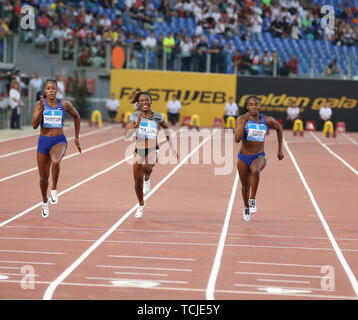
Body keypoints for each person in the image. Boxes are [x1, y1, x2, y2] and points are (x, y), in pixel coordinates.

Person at [32, 79, 81, 218]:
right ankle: (44, 201)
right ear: (44, 91)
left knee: (56, 161)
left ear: (57, 90)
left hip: (59, 140)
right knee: (42, 178)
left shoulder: (64, 104)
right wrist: (41, 111)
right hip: (43, 141)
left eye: (53, 88)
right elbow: (34, 125)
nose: (51, 91)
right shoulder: (38, 105)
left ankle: (54, 188)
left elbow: (76, 116)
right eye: (48, 88)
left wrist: (76, 137)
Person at [125, 91, 178, 219]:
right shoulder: (134, 116)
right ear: (138, 103)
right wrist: (136, 124)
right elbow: (127, 135)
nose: (145, 102)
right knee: (137, 182)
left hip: (153, 149)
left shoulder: (158, 117)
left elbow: (166, 130)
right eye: (142, 100)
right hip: (139, 149)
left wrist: (171, 147)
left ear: (151, 101)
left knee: (146, 167)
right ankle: (141, 204)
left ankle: (147, 177)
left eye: (147, 100)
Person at [234, 95, 284, 222]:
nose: (254, 107)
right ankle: (246, 207)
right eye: (251, 105)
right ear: (247, 106)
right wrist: (244, 123)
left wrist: (280, 150)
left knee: (255, 170)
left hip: (259, 155)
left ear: (259, 106)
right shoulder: (241, 119)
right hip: (243, 157)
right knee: (245, 186)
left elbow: (279, 129)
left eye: (256, 104)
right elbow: (237, 139)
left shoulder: (267, 120)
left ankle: (252, 199)